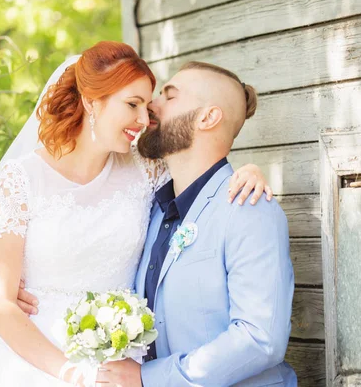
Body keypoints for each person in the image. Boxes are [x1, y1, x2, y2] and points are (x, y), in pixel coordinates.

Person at [0, 42, 271, 387]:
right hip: (28, 358)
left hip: (117, 361)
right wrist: (69, 372)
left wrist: (247, 171)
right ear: (92, 100)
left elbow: (200, 167)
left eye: (146, 106)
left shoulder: (146, 169)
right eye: (132, 104)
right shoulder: (22, 179)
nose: (143, 118)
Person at [93, 62, 297, 386]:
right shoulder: (153, 211)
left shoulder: (250, 210)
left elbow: (260, 339)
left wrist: (149, 379)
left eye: (168, 97)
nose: (150, 107)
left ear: (208, 117)